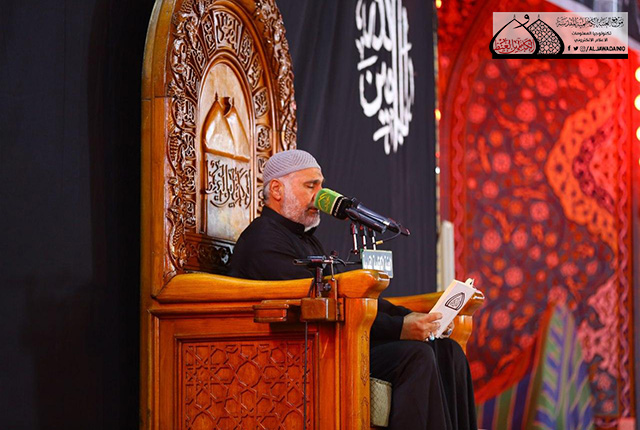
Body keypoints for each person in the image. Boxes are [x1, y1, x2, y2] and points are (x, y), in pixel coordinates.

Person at [229, 149, 477, 430]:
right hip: (294, 351)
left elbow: (350, 295)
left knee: (447, 350)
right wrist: (399, 328)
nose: (321, 196)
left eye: (321, 186)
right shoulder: (262, 240)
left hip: (333, 340)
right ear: (276, 189)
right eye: (311, 186)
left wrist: (415, 318)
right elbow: (320, 299)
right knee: (415, 356)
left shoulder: (305, 240)